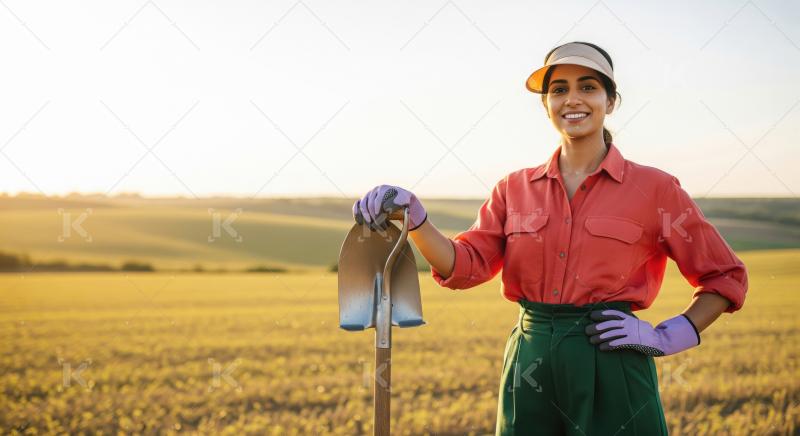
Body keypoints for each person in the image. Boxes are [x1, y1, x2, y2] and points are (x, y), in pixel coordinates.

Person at [352, 41, 748, 436]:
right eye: (558, 90)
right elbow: (465, 266)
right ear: (545, 105)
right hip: (530, 362)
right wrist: (416, 216)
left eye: (588, 87)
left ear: (611, 101)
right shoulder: (513, 188)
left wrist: (666, 337)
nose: (572, 99)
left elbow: (724, 276)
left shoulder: (656, 189)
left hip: (612, 358)